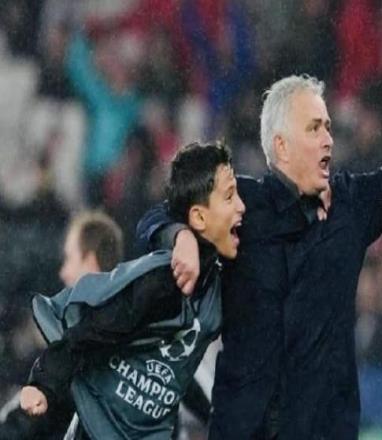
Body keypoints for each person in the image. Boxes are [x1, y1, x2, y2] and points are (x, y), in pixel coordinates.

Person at [136, 26, 382, 439]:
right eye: (314, 128)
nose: (328, 138)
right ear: (281, 146)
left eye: (328, 127)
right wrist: (181, 237)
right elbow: (157, 218)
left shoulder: (351, 205)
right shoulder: (240, 203)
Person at [20, 142, 245, 439]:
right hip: (99, 429)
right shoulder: (160, 280)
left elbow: (178, 373)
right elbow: (92, 330)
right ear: (199, 217)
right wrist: (43, 383)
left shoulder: (216, 286)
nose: (241, 206)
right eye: (229, 196)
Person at [0, 211, 123, 439]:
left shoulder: (83, 339)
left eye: (69, 259)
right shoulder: (138, 327)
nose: (63, 273)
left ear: (90, 261)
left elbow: (38, 408)